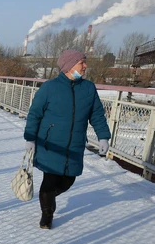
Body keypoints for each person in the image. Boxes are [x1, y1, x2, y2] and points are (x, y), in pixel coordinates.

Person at [23, 49, 111, 229]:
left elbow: (97, 115)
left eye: (85, 63)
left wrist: (103, 137)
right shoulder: (49, 87)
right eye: (82, 63)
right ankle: (47, 215)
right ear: (70, 66)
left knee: (68, 179)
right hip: (50, 143)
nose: (85, 66)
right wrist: (30, 138)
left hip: (75, 144)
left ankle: (47, 197)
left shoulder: (88, 88)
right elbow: (34, 114)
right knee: (50, 179)